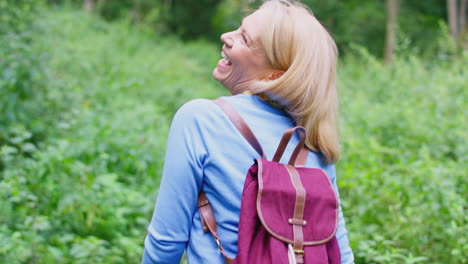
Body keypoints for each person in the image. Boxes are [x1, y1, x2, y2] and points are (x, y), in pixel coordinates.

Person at [142, 0, 354, 263]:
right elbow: (341, 254)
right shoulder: (313, 140)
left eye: (244, 38)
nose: (226, 37)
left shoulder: (201, 119)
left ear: (274, 76)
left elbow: (166, 241)